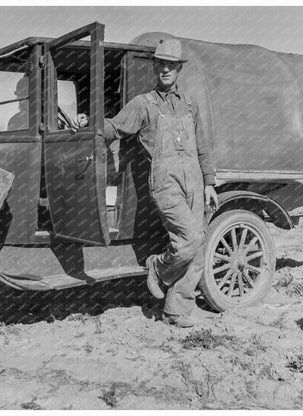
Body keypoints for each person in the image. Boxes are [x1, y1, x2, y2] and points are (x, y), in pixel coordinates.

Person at [72, 39, 218, 328]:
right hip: (165, 183)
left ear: (178, 69)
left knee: (197, 251)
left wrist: (209, 182)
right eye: (160, 64)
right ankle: (158, 266)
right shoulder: (143, 104)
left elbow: (203, 146)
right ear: (154, 67)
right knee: (190, 238)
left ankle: (176, 310)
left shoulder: (190, 104)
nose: (165, 69)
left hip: (195, 180)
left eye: (171, 65)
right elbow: (114, 126)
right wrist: (88, 123)